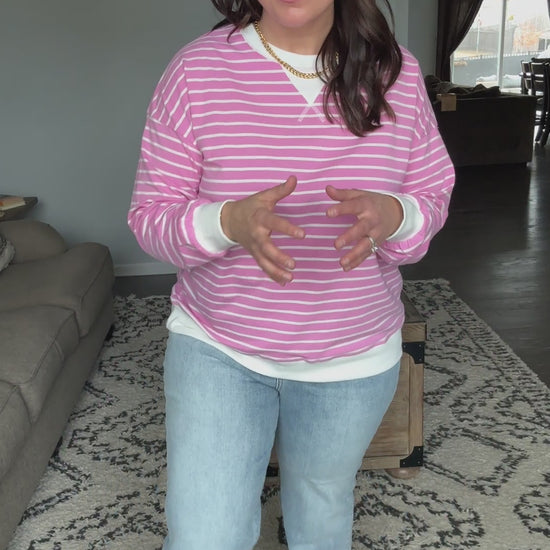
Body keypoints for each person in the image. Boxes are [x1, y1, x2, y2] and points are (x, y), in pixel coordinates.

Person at [128, 1, 455, 548]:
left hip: (353, 356)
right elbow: (150, 218)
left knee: (320, 516)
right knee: (204, 537)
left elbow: (432, 196)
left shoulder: (394, 72)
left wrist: (396, 215)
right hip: (219, 348)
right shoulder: (195, 70)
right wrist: (226, 222)